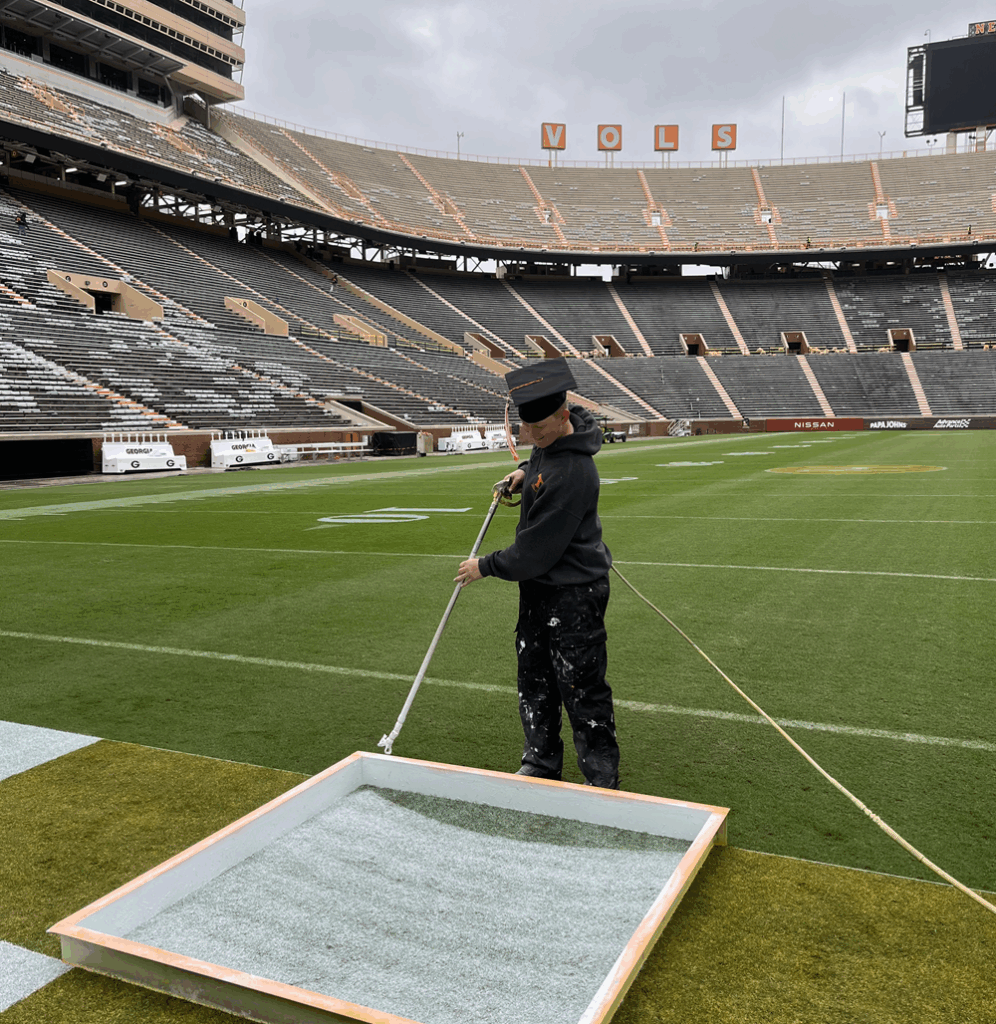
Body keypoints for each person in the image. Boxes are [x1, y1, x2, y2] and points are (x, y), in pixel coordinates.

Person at [455, 358, 620, 789]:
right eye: (525, 431)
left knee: (580, 687)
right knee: (534, 677)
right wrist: (526, 470)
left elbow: (533, 554)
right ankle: (542, 761)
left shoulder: (573, 473)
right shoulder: (553, 438)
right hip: (542, 590)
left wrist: (483, 566)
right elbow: (544, 454)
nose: (530, 438)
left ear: (564, 416)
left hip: (573, 593)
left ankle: (601, 778)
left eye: (538, 431)